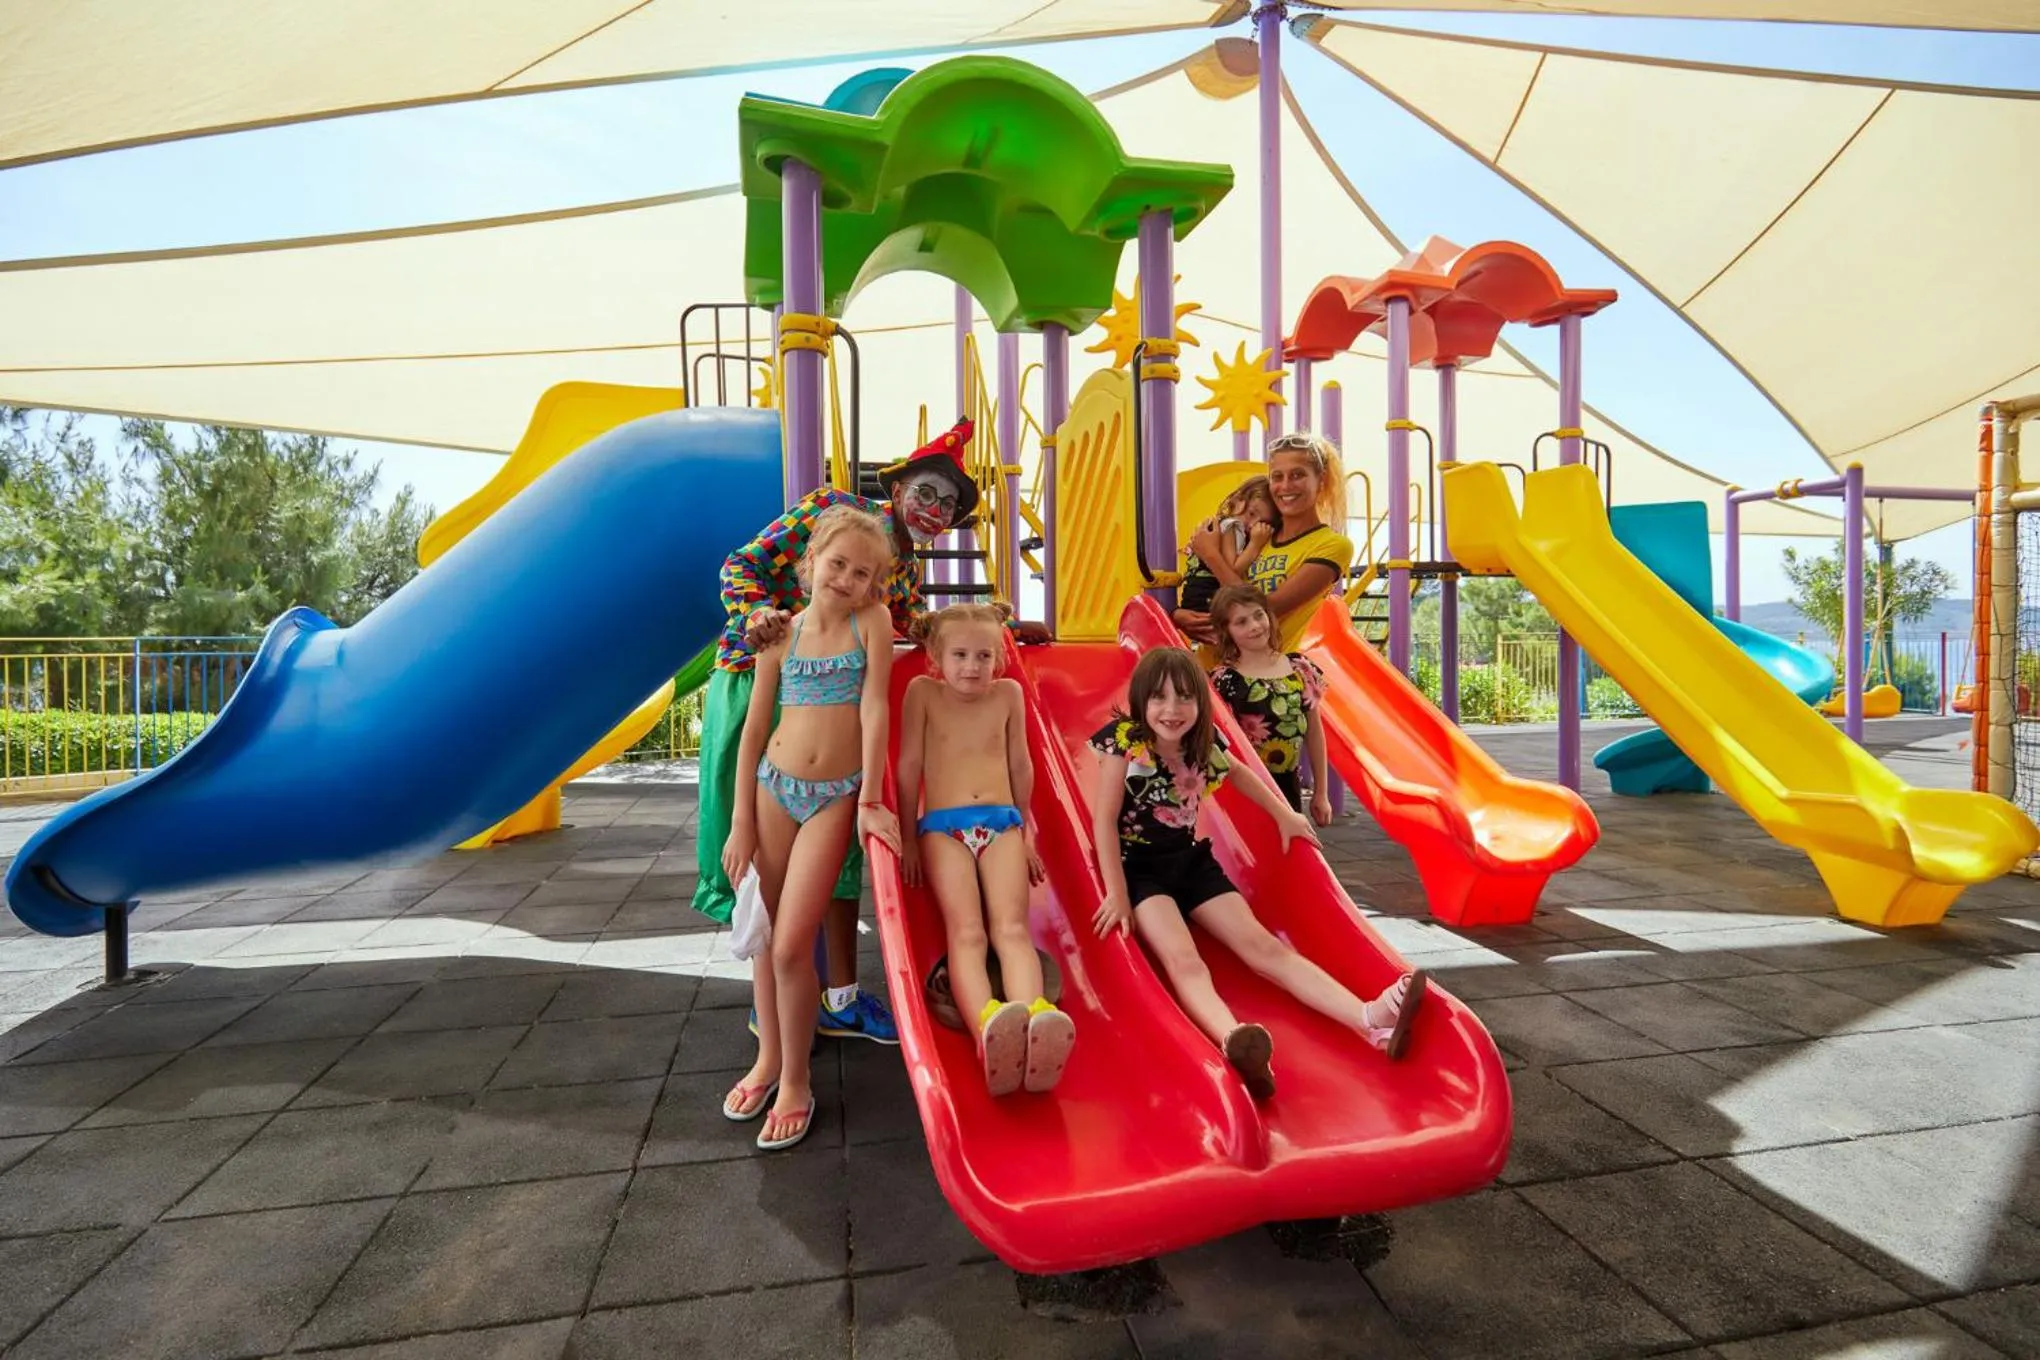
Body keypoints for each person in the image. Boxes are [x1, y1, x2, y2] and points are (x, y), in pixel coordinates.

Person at [695, 417, 1047, 1046]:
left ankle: (834, 994)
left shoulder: (902, 571)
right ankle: (776, 1003)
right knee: (755, 860)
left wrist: (998, 631)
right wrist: (760, 620)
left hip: (833, 719)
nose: (936, 510)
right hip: (766, 680)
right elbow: (741, 565)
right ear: (901, 484)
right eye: (928, 492)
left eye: (950, 505)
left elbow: (920, 627)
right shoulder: (833, 510)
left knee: (838, 863)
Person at [1088, 647, 1424, 1100]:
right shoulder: (1125, 741)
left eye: (1185, 698)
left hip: (1189, 862)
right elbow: (1104, 819)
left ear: (1200, 704)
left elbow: (1241, 775)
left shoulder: (1202, 741)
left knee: (1264, 945)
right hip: (1140, 874)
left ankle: (1369, 1020)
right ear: (1140, 701)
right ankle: (1234, 1040)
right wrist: (1115, 892)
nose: (1172, 710)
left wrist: (1283, 813)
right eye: (1159, 699)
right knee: (1184, 959)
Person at [720, 506, 900, 1150]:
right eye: (838, 563)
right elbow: (753, 734)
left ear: (875, 583)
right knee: (765, 938)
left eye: (862, 572)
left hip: (834, 797)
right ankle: (769, 1059)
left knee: (794, 946)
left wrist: (871, 797)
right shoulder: (780, 637)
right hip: (774, 789)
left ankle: (796, 1079)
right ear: (811, 561)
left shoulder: (869, 622)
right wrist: (741, 822)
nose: (847, 578)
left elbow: (875, 707)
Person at [899, 602, 1075, 1095]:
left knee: (1012, 930)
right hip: (943, 828)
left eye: (983, 656)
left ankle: (1036, 1020)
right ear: (936, 655)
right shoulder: (923, 693)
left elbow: (1021, 764)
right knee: (968, 933)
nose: (971, 666)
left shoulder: (1009, 695)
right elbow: (909, 765)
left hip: (1003, 823)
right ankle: (988, 1029)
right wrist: (910, 838)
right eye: (959, 655)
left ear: (999, 657)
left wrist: (1029, 830)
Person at [1176, 432, 1353, 654]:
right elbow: (1208, 585)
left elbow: (1265, 609)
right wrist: (1179, 614)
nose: (1286, 486)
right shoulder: (1257, 534)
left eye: (1298, 475)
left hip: (1262, 681)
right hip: (1210, 670)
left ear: (1321, 481)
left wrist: (1212, 556)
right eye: (1277, 477)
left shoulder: (1332, 545)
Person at [1209, 584, 1334, 825]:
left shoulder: (1299, 668)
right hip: (1245, 789)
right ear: (1227, 632)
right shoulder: (1223, 680)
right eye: (1241, 622)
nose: (1255, 626)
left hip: (1288, 785)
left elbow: (1315, 733)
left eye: (1259, 615)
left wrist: (1321, 793)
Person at [1177, 475, 1277, 615]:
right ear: (1238, 501)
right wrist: (1255, 545)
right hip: (1206, 597)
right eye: (1252, 513)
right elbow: (1231, 571)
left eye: (1262, 522)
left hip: (1194, 596)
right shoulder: (1232, 526)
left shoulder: (1222, 524)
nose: (1253, 524)